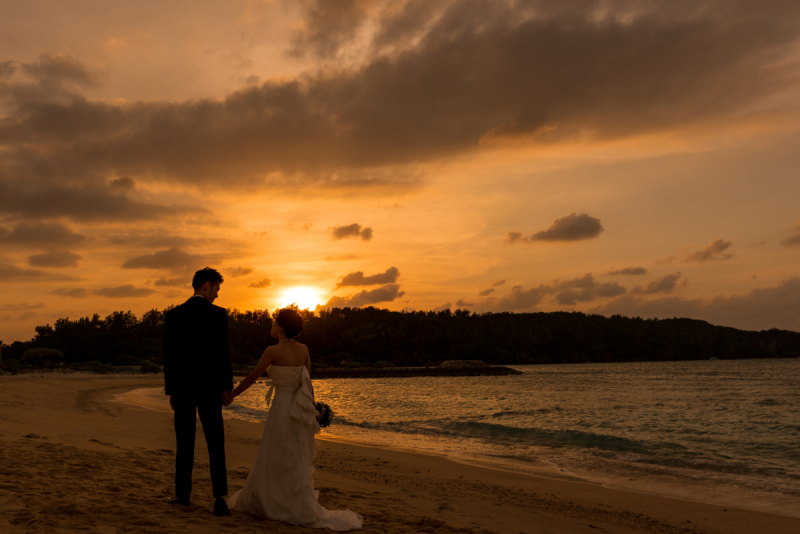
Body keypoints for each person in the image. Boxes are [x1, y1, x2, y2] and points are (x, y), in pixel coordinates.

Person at [225, 307, 362, 531]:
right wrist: (314, 411)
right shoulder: (304, 350)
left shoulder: (272, 351)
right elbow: (307, 386)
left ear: (281, 328)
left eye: (274, 322)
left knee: (275, 453)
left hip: (281, 409)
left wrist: (232, 394)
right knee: (295, 456)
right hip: (297, 411)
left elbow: (252, 377)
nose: (271, 325)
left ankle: (272, 500)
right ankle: (296, 503)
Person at [162, 267, 234, 516]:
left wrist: (171, 389)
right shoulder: (219, 315)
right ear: (207, 286)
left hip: (182, 387)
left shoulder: (174, 315)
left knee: (185, 443)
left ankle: (183, 496)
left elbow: (169, 356)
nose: (216, 295)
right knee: (216, 442)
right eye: (216, 289)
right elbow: (224, 354)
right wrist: (227, 387)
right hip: (210, 387)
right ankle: (220, 498)